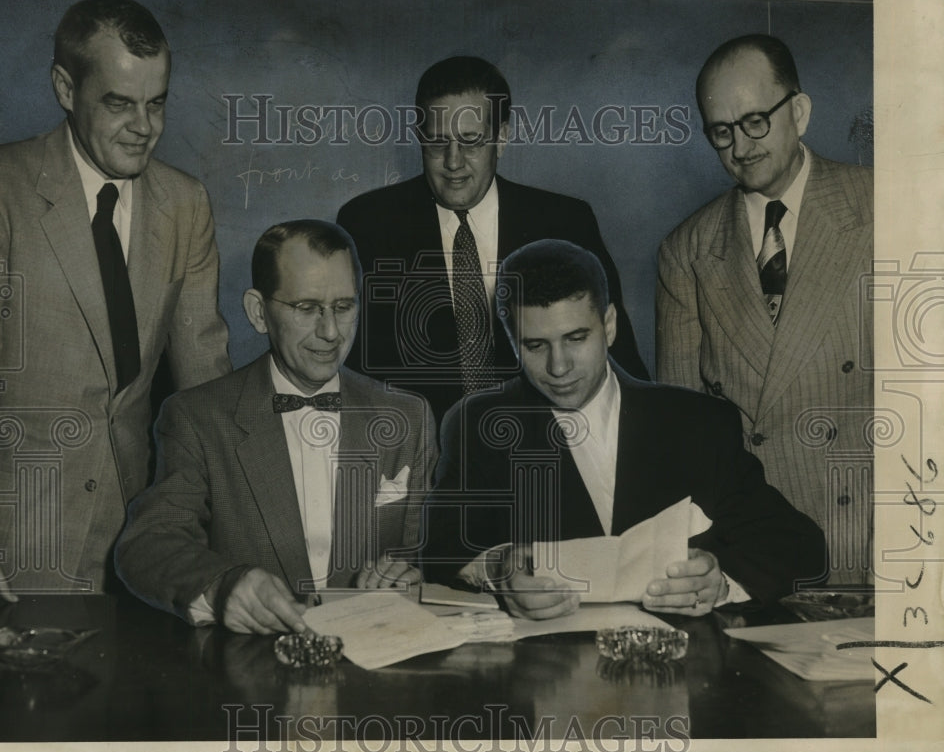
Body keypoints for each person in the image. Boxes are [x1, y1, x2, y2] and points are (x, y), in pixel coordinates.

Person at [0, 0, 231, 596]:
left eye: (157, 103)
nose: (145, 128)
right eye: (119, 104)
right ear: (65, 87)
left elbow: (205, 384)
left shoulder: (185, 203)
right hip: (16, 535)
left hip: (143, 541)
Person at [421, 239, 826, 620]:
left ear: (609, 325)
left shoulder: (699, 422)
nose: (558, 367)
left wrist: (720, 582)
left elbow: (800, 546)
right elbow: (439, 550)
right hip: (545, 675)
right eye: (535, 346)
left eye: (576, 338)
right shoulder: (476, 424)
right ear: (512, 341)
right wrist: (498, 570)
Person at [115, 220, 436, 634]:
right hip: (252, 677)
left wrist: (410, 579)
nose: (331, 332)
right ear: (258, 312)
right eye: (306, 308)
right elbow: (146, 544)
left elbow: (428, 553)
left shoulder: (407, 417)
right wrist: (223, 586)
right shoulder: (197, 418)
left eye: (343, 306)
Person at [656, 34, 873, 586]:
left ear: (798, 111)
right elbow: (684, 437)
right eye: (721, 131)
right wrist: (714, 566)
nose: (741, 146)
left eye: (756, 121)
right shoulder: (687, 249)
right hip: (758, 550)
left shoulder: (886, 206)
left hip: (877, 537)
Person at [337, 56, 648, 426]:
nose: (453, 162)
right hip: (416, 458)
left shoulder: (564, 222)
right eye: (437, 142)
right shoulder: (368, 223)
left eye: (470, 141)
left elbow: (619, 360)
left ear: (501, 137)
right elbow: (350, 369)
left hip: (544, 452)